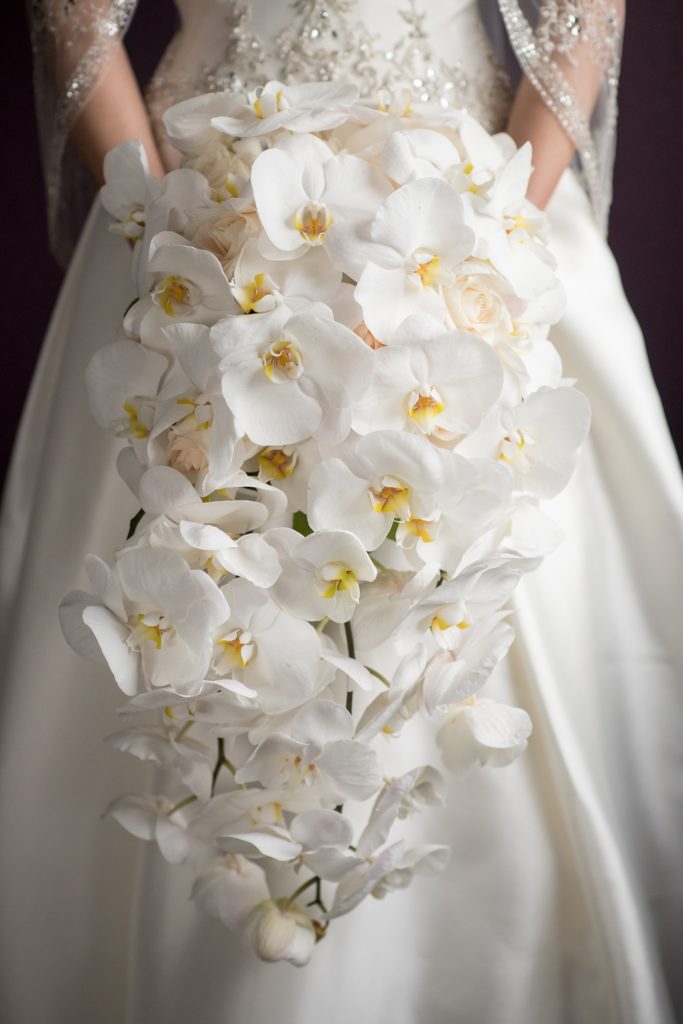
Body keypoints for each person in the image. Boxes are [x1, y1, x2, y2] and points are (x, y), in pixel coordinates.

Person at [2, 1, 681, 1021]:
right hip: (201, 210)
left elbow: (584, 12)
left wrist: (487, 245)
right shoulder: (182, 227)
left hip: (469, 201)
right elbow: (72, 13)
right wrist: (162, 223)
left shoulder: (484, 234)